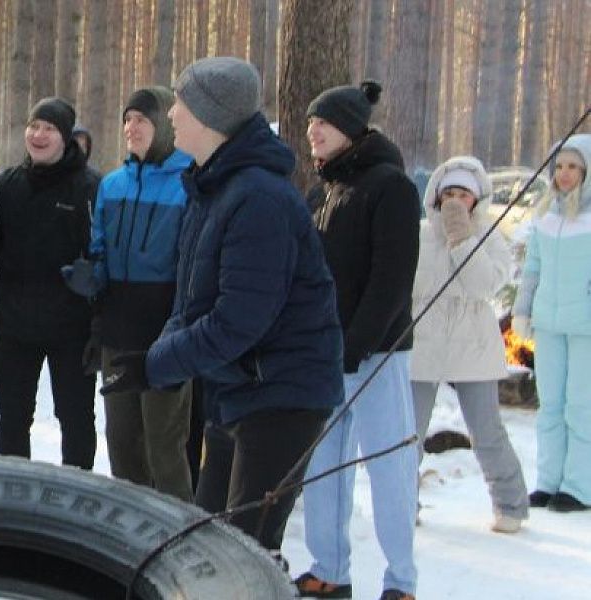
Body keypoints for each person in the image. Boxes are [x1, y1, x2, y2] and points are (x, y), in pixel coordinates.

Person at [101, 57, 342, 565]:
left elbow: (239, 321)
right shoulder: (210, 187)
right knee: (210, 541)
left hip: (282, 395)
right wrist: (150, 362)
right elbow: (191, 302)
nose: (171, 116)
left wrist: (155, 365)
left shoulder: (258, 200)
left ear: (210, 117)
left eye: (181, 105)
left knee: (243, 554)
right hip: (237, 388)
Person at [296, 81, 421, 600]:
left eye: (322, 123)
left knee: (389, 466)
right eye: (309, 124)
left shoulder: (390, 186)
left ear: (350, 127)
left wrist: (358, 341)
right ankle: (330, 568)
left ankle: (401, 581)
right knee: (323, 467)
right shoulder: (320, 190)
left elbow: (392, 279)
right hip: (324, 354)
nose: (312, 132)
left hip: (377, 354)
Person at [0, 98, 98, 469]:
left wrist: (100, 318)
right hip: (15, 324)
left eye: (49, 129)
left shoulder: (89, 187)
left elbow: (105, 258)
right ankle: (12, 492)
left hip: (71, 328)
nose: (38, 135)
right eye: (34, 126)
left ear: (66, 137)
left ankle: (78, 498)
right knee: (13, 417)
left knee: (77, 419)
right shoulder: (5, 185)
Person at [410, 156, 530, 533]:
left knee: (487, 430)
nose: (456, 201)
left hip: (473, 346)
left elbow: (485, 287)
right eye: (450, 194)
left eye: (464, 194)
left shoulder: (490, 237)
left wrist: (463, 242)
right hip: (423, 344)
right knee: (408, 434)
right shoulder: (418, 234)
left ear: (476, 200)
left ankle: (511, 505)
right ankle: (402, 502)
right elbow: (406, 284)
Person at [91, 86, 196, 500]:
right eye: (128, 119)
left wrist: (183, 323)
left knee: (164, 446)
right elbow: (98, 244)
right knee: (121, 443)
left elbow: (194, 261)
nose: (132, 128)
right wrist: (91, 276)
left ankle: (178, 536)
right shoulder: (112, 184)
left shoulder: (189, 182)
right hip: (118, 329)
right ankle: (128, 539)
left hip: (165, 328)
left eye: (143, 120)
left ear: (164, 129)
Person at [513, 133, 591, 514]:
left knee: (581, 406)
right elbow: (532, 269)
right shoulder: (545, 215)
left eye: (573, 167)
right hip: (548, 321)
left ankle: (578, 486)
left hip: (585, 327)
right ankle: (548, 481)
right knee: (550, 404)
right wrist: (522, 313)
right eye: (559, 166)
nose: (565, 174)